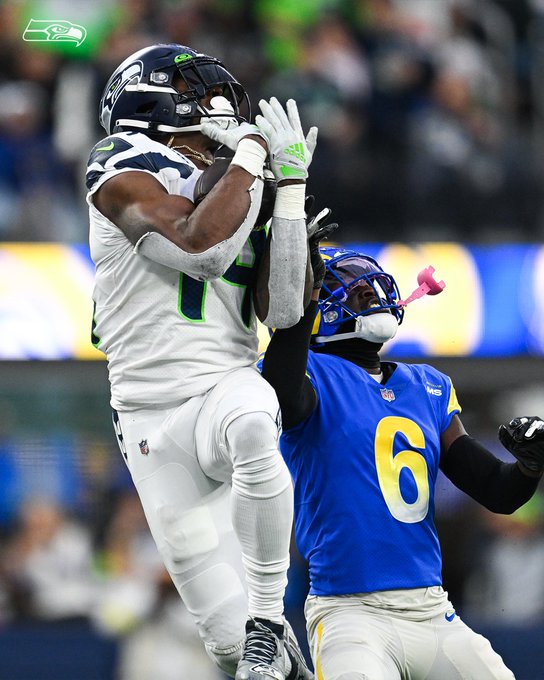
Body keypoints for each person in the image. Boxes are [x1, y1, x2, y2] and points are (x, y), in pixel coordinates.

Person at [86, 42, 316, 680]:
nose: (216, 101)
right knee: (228, 649)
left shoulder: (245, 180)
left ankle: (270, 618)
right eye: (192, 87)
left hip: (224, 385)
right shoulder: (121, 162)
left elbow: (285, 312)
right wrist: (249, 157)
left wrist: (290, 193)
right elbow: (198, 249)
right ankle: (268, 647)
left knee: (252, 419)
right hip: (149, 420)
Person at [260, 214, 544, 680]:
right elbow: (286, 399)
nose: (371, 293)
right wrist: (297, 294)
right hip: (349, 612)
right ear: (319, 307)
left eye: (372, 288)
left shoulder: (426, 385)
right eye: (355, 290)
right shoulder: (309, 374)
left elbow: (497, 491)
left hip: (432, 611)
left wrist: (530, 466)